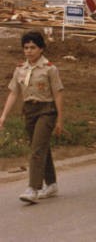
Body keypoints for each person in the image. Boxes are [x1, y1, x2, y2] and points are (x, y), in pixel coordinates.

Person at [0, 31, 64, 204]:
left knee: (37, 149)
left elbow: (58, 94)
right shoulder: (20, 69)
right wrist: (3, 116)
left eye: (33, 47)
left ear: (41, 49)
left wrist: (60, 119)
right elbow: (14, 93)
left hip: (47, 110)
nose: (29, 51)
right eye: (26, 48)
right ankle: (51, 184)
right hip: (29, 111)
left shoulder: (50, 68)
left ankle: (33, 188)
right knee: (41, 147)